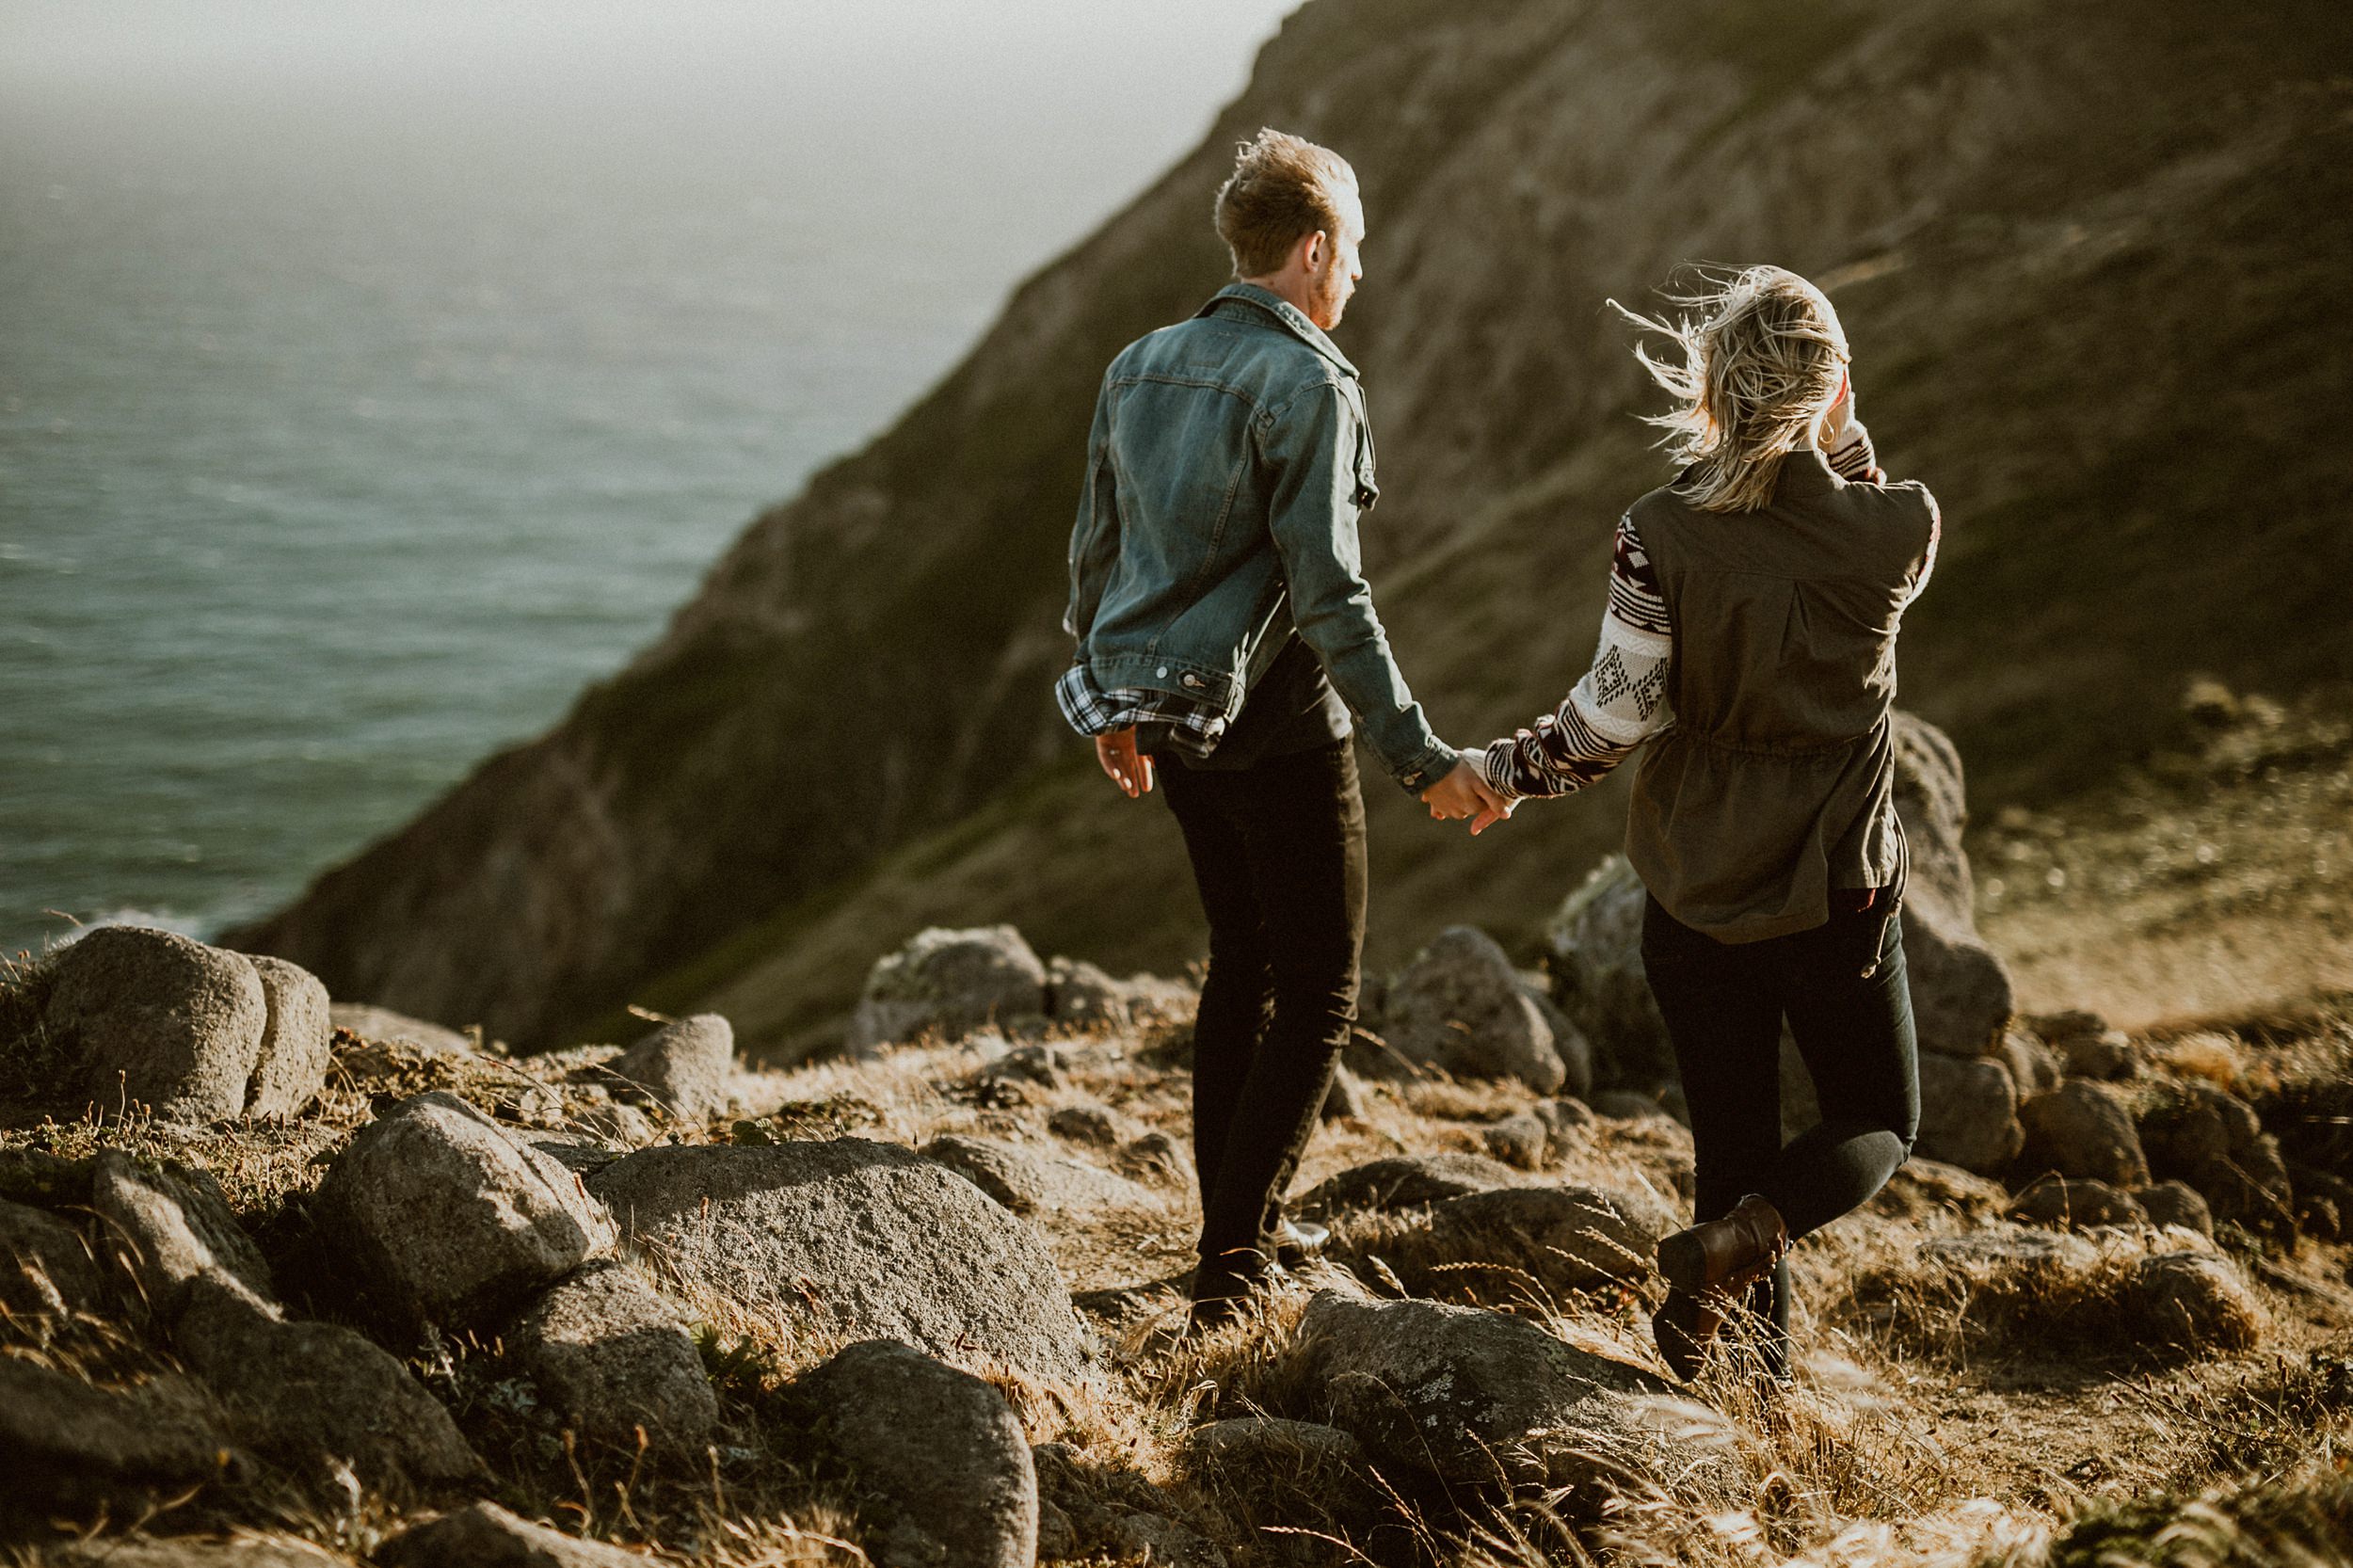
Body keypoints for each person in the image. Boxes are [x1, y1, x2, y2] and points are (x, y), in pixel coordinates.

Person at [1056, 128, 1507, 1327]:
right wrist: (1422, 759)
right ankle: (1232, 1267)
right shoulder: (1310, 382)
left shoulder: (1139, 363)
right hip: (1282, 723)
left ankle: (1230, 1229)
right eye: (1351, 250)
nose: (1356, 273)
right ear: (1312, 249)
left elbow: (1097, 549)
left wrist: (1107, 695)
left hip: (1172, 717)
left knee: (1241, 963)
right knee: (1317, 990)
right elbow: (1330, 595)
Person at [1473, 264, 1938, 1383]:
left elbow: (1611, 720)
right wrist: (1835, 422)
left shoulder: (1656, 532)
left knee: (1728, 1146)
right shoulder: (1902, 530)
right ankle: (1751, 1253)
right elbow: (1846, 503)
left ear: (1715, 396)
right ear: (1830, 394)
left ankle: (1730, 1385)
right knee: (1876, 1112)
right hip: (1835, 885)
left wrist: (1499, 771)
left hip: (1693, 885)